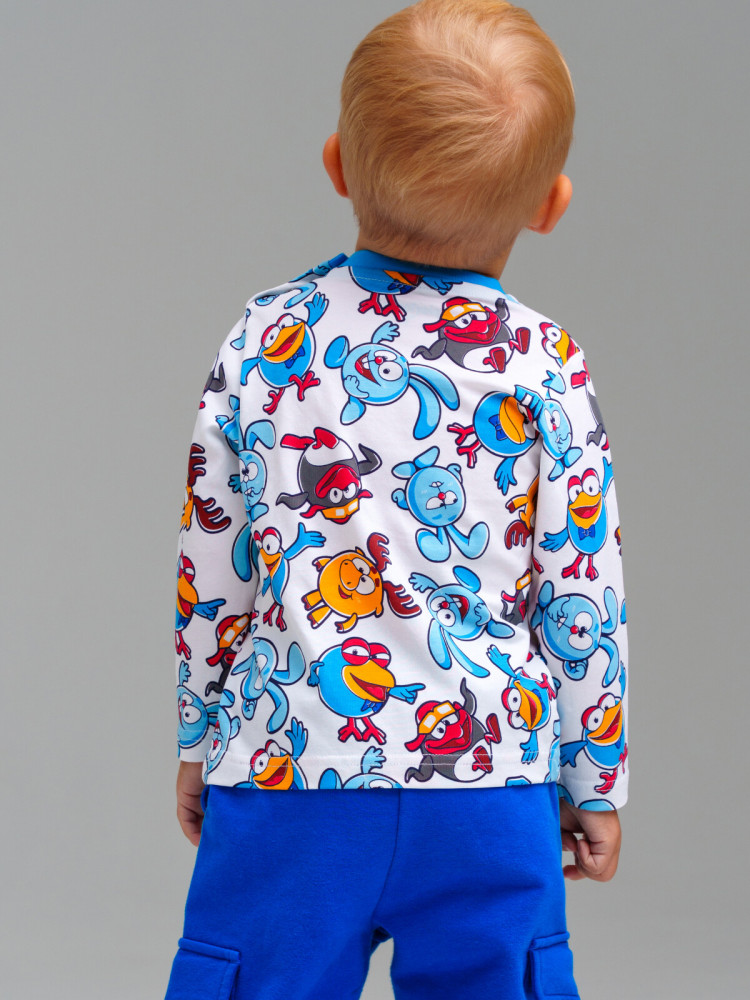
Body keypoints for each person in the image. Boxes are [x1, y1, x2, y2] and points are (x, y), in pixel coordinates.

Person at [165, 2, 628, 998]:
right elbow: (582, 596)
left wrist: (201, 737)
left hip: (291, 769)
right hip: (488, 784)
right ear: (551, 203)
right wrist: (594, 779)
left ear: (336, 163)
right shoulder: (546, 367)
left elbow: (213, 565)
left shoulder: (266, 340)